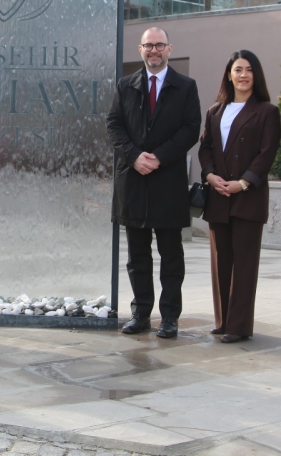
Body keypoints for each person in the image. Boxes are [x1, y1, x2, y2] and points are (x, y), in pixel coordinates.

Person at [107, 27, 201, 338]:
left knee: (171, 255)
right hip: (133, 181)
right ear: (140, 49)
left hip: (167, 181)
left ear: (169, 49)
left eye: (160, 45)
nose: (154, 50)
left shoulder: (185, 86)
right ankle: (141, 313)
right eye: (148, 45)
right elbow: (114, 125)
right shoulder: (126, 85)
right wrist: (134, 156)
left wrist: (159, 157)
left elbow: (191, 128)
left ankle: (170, 317)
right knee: (137, 256)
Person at [197, 50, 281, 343]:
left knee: (244, 264)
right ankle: (223, 321)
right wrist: (209, 175)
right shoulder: (215, 111)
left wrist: (243, 183)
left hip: (247, 196)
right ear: (229, 75)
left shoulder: (267, 111)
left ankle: (239, 326)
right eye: (238, 69)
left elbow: (267, 152)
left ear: (256, 75)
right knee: (221, 261)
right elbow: (205, 148)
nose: (243, 75)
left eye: (249, 70)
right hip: (218, 195)